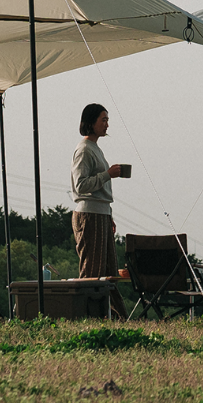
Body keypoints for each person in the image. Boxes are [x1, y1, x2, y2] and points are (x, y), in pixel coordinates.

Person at [70, 103, 127, 281]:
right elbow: (81, 185)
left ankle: (112, 309)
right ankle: (87, 308)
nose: (107, 124)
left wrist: (108, 215)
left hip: (100, 213)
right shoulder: (84, 149)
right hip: (89, 215)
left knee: (109, 272)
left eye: (107, 120)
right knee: (92, 272)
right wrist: (107, 175)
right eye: (103, 120)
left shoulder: (95, 148)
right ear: (91, 122)